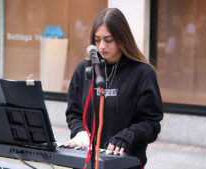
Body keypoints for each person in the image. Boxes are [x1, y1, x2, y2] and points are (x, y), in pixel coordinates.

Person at [65, 8, 163, 169]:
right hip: (85, 161)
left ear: (122, 39)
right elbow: (73, 113)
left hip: (125, 163)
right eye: (97, 40)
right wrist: (81, 133)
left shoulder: (142, 73)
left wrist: (128, 136)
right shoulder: (84, 70)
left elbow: (151, 123)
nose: (102, 46)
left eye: (108, 40)